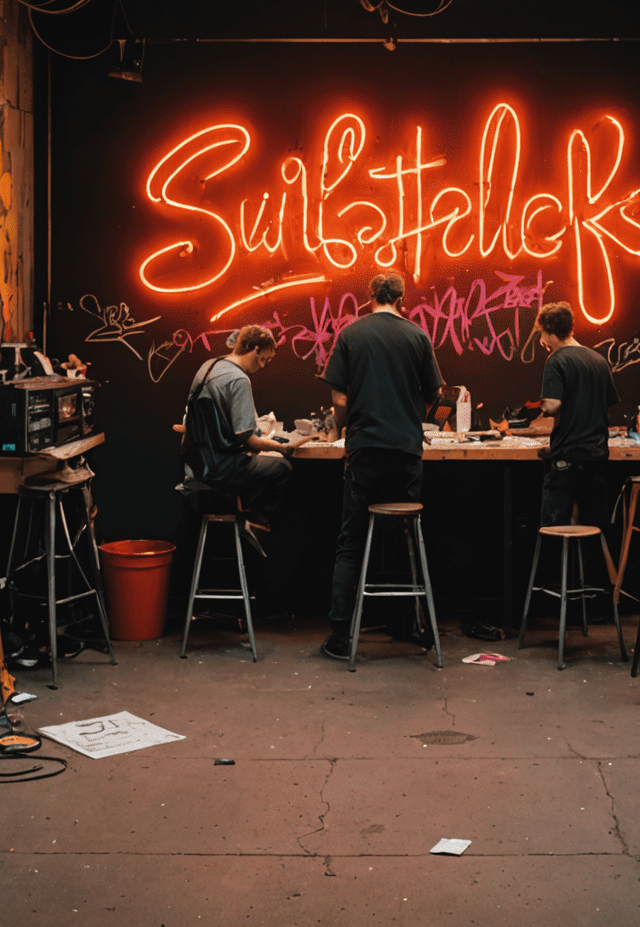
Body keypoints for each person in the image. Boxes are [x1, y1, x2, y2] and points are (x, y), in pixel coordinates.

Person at [319, 271, 444, 660]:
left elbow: (339, 392)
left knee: (351, 542)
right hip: (406, 452)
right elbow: (435, 392)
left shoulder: (352, 334)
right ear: (402, 298)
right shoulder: (417, 336)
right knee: (405, 537)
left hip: (364, 450)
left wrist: (349, 421)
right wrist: (409, 418)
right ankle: (411, 624)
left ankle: (341, 634)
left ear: (370, 295)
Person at [180, 325, 302, 537]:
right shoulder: (239, 379)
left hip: (196, 463)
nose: (263, 366)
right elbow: (249, 440)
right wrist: (283, 447)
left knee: (253, 460)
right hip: (219, 468)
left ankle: (243, 509)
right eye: (264, 359)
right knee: (282, 468)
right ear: (255, 349)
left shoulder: (210, 366)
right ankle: (254, 518)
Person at [536, 300, 620, 531]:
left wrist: (544, 406)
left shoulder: (556, 360)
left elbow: (552, 405)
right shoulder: (599, 360)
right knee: (593, 526)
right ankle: (590, 567)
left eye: (542, 333)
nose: (542, 340)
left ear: (549, 331)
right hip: (597, 455)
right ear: (571, 328)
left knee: (553, 528)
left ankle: (554, 567)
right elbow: (608, 401)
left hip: (568, 456)